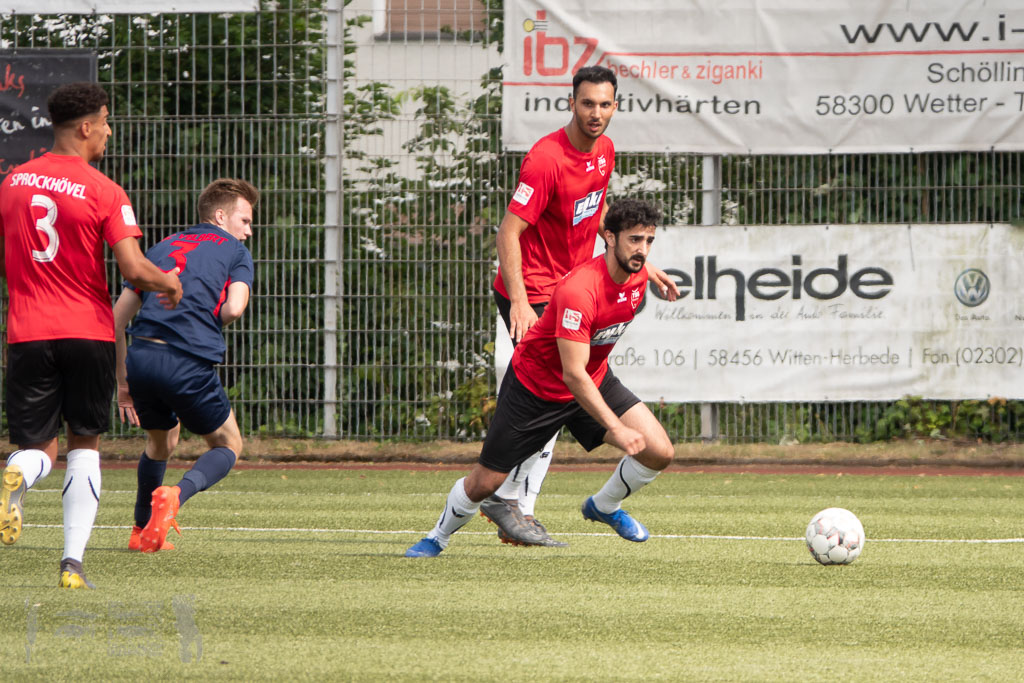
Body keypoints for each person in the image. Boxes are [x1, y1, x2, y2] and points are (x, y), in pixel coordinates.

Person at [406, 198, 674, 557]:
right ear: (609, 237)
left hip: (592, 379)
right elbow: (572, 374)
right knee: (484, 483)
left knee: (659, 451)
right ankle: (436, 537)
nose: (642, 250)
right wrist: (616, 427)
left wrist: (649, 267)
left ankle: (604, 506)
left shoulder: (638, 276)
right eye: (634, 240)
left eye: (649, 241)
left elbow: (582, 372)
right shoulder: (579, 291)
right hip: (538, 388)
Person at [484, 65, 678, 547]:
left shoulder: (605, 150)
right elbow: (508, 231)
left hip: (568, 288)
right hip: (532, 290)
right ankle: (513, 505)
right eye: (587, 103)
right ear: (571, 103)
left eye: (605, 104)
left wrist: (643, 263)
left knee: (563, 393)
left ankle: (528, 504)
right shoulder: (545, 159)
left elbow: (599, 217)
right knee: (552, 392)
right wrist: (521, 302)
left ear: (616, 107)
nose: (596, 113)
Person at [0, 82, 183, 589]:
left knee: (38, 448)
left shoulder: (12, 183)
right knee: (84, 444)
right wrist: (169, 283)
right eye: (104, 121)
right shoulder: (104, 190)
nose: (108, 131)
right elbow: (134, 269)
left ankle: (20, 474)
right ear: (85, 127)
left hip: (27, 331)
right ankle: (72, 565)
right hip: (87, 330)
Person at [112, 178, 257, 554]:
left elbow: (116, 320)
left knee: (161, 442)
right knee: (228, 443)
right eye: (244, 220)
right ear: (221, 216)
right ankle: (176, 495)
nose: (248, 231)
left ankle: (140, 531)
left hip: (142, 359)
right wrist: (206, 321)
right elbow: (234, 308)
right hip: (186, 361)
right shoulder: (236, 251)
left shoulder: (162, 247)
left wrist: (123, 383)